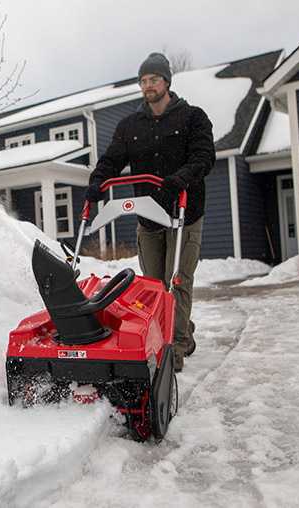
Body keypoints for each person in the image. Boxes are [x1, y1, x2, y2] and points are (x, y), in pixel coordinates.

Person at [85, 52, 215, 372]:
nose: (148, 86)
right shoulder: (130, 126)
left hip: (183, 213)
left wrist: (179, 179)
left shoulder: (192, 117)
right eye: (143, 81)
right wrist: (98, 183)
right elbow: (111, 160)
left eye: (153, 79)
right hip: (148, 215)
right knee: (154, 286)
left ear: (167, 81)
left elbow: (203, 157)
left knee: (177, 281)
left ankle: (179, 342)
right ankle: (162, 334)